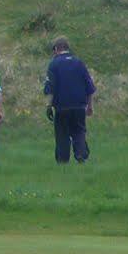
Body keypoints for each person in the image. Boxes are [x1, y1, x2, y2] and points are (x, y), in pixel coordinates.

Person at [42, 36, 97, 164]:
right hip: (79, 106)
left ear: (56, 49)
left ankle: (63, 161)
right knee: (79, 131)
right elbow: (89, 87)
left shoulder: (54, 64)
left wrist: (48, 106)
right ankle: (81, 156)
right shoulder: (79, 63)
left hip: (62, 107)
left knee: (62, 134)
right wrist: (90, 106)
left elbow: (50, 88)